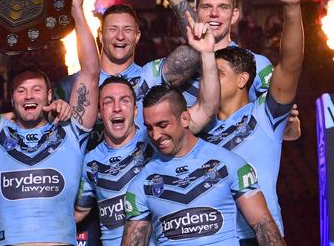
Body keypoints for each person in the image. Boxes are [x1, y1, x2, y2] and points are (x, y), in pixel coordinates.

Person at [0, 0, 100, 244]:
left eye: (36, 89)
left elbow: (91, 73)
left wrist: (77, 11)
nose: (29, 96)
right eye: (21, 91)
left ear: (49, 95)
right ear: (12, 99)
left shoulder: (71, 131)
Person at [75, 14, 220, 244]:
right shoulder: (89, 162)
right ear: (98, 113)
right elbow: (78, 212)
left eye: (124, 101)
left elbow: (207, 108)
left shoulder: (154, 146)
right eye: (108, 103)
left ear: (135, 110)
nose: (116, 108)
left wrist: (207, 53)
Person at [141, 0, 301, 141]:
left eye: (223, 7)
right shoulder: (181, 62)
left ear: (234, 15)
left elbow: (290, 134)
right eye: (206, 7)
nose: (214, 14)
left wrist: (289, 123)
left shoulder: (256, 64)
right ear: (197, 12)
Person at [200, 0, 306, 243]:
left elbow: (291, 64)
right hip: (215, 236)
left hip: (261, 234)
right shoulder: (195, 128)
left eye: (218, 73)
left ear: (242, 79)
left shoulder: (261, 115)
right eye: (206, 6)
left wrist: (292, 9)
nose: (209, 79)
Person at [122, 85, 285, 245]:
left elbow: (265, 230)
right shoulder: (141, 185)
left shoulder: (229, 164)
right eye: (149, 128)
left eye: (162, 125)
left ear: (184, 119)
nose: (155, 135)